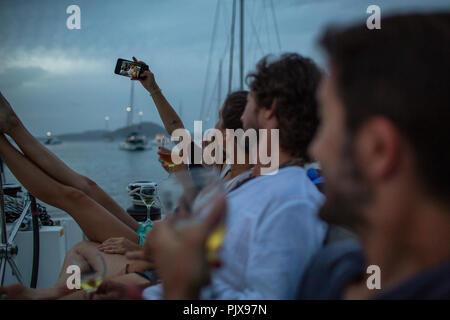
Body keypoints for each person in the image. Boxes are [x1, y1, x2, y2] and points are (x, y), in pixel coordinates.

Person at [145, 12, 450, 300]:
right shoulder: (337, 270)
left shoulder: (294, 203)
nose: (314, 149)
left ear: (378, 149)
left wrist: (183, 287)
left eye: (328, 123)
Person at [133, 53, 327, 300]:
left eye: (251, 101)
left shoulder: (292, 202)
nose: (243, 116)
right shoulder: (259, 183)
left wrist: (181, 273)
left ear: (269, 111)